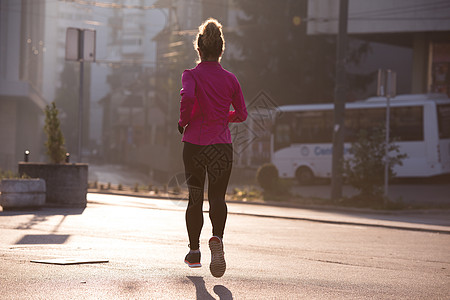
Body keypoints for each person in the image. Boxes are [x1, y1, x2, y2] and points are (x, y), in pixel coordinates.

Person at [178, 18, 248, 278]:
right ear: (221, 50)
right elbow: (242, 114)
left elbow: (188, 97)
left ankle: (194, 251)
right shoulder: (231, 79)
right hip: (221, 146)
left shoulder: (191, 75)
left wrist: (183, 121)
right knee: (218, 198)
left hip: (194, 145)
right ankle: (217, 238)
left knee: (195, 197)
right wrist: (223, 118)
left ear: (199, 49)